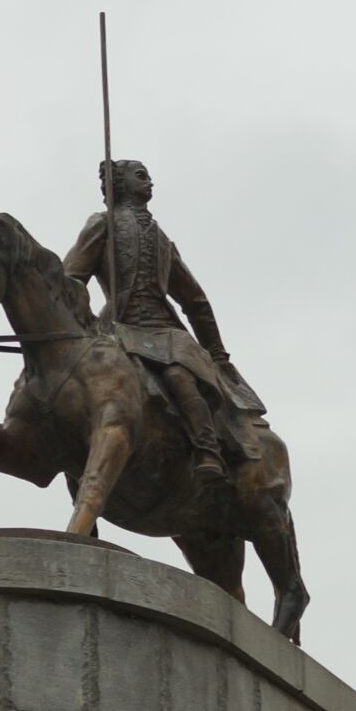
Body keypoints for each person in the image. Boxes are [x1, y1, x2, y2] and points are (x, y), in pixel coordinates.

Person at [63, 158, 263, 482]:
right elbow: (70, 279)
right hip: (117, 328)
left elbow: (195, 301)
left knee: (179, 376)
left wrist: (218, 354)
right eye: (141, 176)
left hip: (163, 330)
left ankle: (207, 448)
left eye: (149, 176)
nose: (150, 181)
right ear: (120, 183)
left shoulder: (162, 241)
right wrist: (79, 320)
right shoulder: (102, 224)